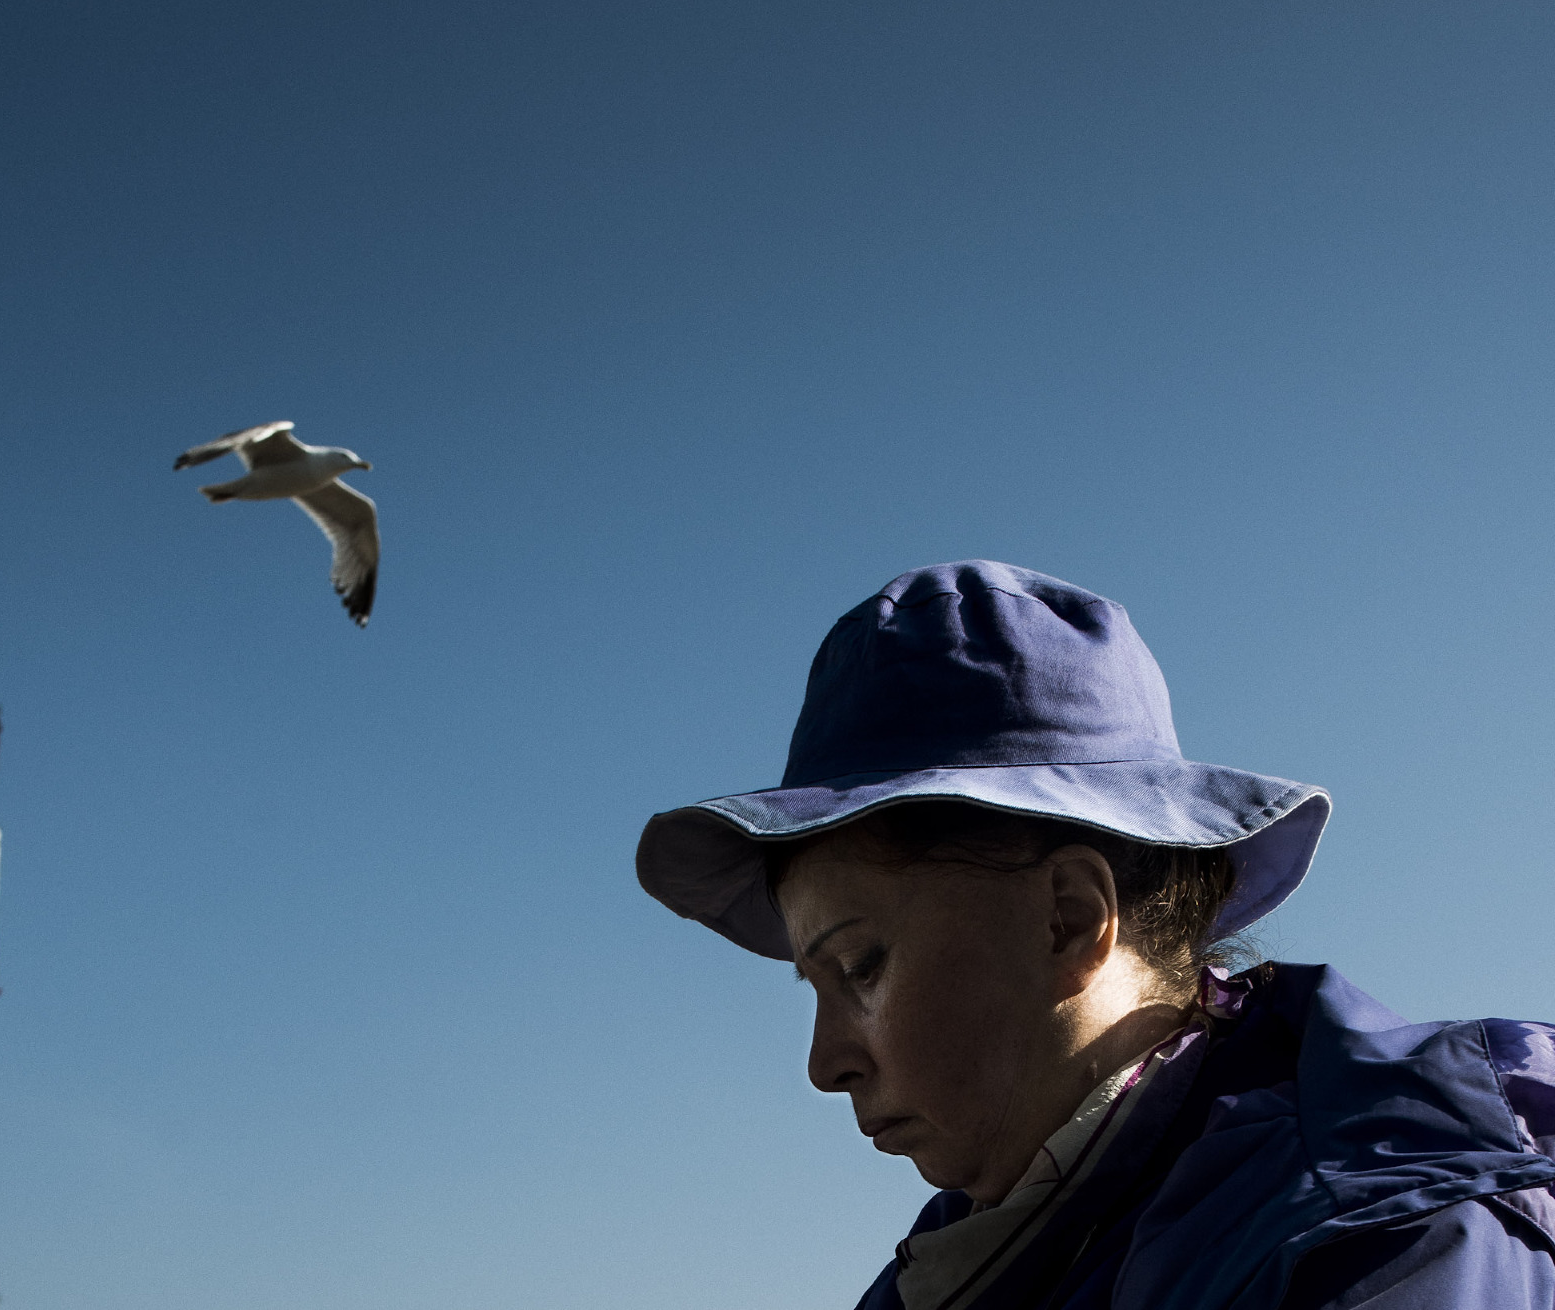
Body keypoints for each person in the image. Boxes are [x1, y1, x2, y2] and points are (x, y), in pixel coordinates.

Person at [636, 560, 1555, 1310]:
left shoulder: (1381, 1237)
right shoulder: (981, 1253)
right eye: (818, 987)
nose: (825, 1064)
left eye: (859, 966)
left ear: (1070, 918)